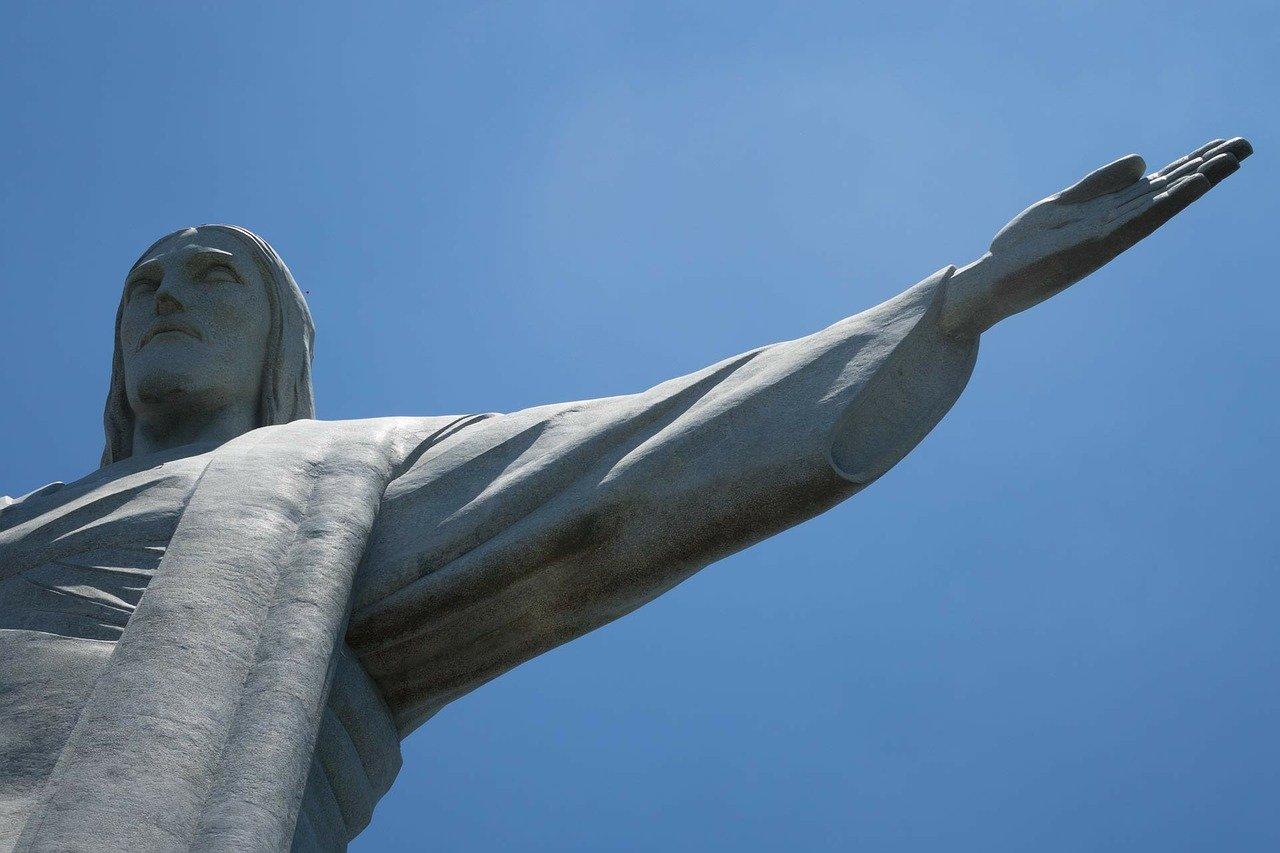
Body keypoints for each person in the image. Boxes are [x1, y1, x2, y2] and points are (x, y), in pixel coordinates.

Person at [0, 137, 1251, 852]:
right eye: (144, 281)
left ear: (278, 343)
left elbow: (643, 457)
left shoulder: (331, 489)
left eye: (214, 277)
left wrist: (952, 303)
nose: (167, 294)